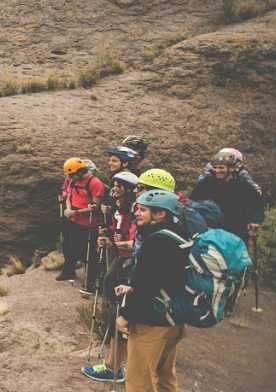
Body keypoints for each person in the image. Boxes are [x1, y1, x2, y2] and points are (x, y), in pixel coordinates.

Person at [115, 190, 189, 392]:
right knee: (165, 375)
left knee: (139, 380)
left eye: (143, 210)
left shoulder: (156, 242)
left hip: (152, 319)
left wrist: (125, 315)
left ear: (160, 214)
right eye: (137, 209)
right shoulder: (179, 236)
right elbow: (161, 277)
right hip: (174, 317)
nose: (137, 213)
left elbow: (146, 286)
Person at [82, 170, 139, 383]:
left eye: (119, 186)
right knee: (111, 294)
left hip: (128, 262)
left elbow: (135, 243)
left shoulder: (134, 211)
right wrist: (106, 233)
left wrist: (112, 243)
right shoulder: (121, 208)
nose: (114, 189)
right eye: (114, 184)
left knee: (121, 310)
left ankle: (114, 367)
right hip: (121, 258)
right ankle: (115, 361)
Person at [190, 150, 265, 243]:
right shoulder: (206, 183)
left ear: (231, 168)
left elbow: (257, 204)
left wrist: (256, 220)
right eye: (215, 168)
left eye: (221, 168)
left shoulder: (242, 185)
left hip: (237, 231)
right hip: (212, 232)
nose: (217, 171)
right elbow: (193, 201)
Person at [58, 158, 106, 285]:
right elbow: (69, 196)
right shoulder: (73, 180)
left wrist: (75, 212)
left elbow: (95, 206)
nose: (69, 178)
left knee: (87, 252)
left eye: (72, 175)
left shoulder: (95, 183)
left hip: (88, 223)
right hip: (72, 218)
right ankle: (68, 270)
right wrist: (68, 209)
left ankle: (91, 279)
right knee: (67, 246)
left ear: (80, 171)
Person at [196, 147, 262, 196]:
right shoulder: (209, 171)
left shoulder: (241, 173)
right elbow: (201, 184)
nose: (217, 170)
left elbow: (254, 188)